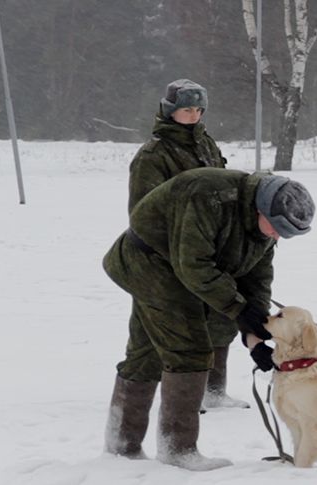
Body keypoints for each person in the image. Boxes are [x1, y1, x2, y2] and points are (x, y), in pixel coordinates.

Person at [102, 167, 315, 470]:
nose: (277, 236)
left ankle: (122, 446)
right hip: (149, 264)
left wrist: (254, 333)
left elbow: (257, 278)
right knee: (189, 348)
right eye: (277, 228)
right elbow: (193, 265)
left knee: (145, 352)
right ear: (261, 208)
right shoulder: (207, 194)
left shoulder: (263, 225)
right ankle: (178, 450)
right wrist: (238, 310)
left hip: (179, 272)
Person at [127, 79, 244, 409]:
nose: (192, 116)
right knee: (176, 328)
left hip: (209, 247)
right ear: (170, 111)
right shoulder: (153, 155)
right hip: (164, 256)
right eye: (185, 110)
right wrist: (177, 252)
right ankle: (181, 395)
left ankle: (214, 390)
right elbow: (143, 213)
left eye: (197, 110)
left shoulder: (205, 143)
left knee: (220, 318)